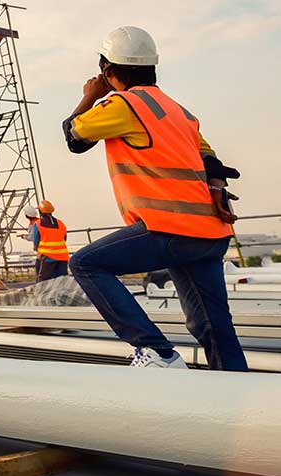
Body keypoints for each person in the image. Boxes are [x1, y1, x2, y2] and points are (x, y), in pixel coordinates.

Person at [65, 26, 247, 371]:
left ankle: (156, 351)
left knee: (86, 264)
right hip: (209, 233)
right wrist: (219, 187)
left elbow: (74, 135)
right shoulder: (180, 112)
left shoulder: (122, 104)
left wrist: (90, 95)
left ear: (108, 70)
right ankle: (240, 401)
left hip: (169, 228)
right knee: (213, 327)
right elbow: (210, 160)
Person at [28, 200, 70, 281]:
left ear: (40, 211)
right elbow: (64, 238)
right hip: (62, 257)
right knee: (63, 281)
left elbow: (36, 240)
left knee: (43, 281)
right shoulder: (60, 223)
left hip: (47, 257)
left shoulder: (38, 224)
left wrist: (38, 250)